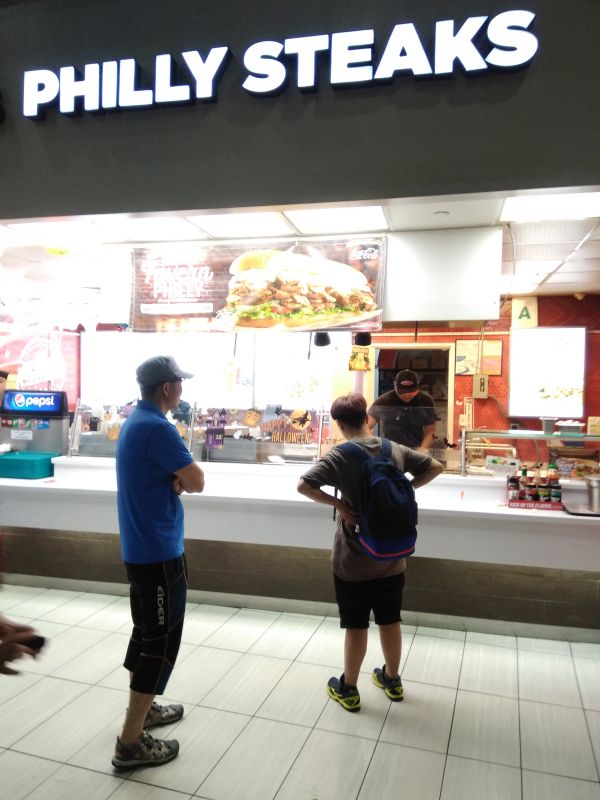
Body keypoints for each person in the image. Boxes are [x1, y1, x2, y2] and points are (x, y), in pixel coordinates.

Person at [297, 393, 442, 712]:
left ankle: (348, 688)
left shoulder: (340, 454)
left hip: (354, 559)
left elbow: (304, 486)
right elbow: (435, 466)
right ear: (366, 418)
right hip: (393, 557)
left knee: (356, 624)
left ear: (338, 424)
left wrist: (339, 505)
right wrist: (405, 489)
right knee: (390, 619)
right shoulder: (392, 448)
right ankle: (392, 679)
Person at [112, 355, 205, 769]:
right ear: (166, 388)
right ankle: (130, 743)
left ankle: (145, 711)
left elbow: (171, 478)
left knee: (146, 633)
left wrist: (173, 479)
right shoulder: (158, 427)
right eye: (179, 383)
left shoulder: (135, 420)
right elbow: (197, 481)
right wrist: (179, 479)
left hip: (140, 547)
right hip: (159, 552)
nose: (182, 389)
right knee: (159, 645)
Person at [367, 369, 438, 450]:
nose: (407, 395)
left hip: (415, 448)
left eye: (411, 392)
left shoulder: (425, 400)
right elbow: (366, 426)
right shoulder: (384, 400)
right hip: (390, 449)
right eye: (402, 392)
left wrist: (422, 450)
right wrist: (376, 446)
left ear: (417, 387)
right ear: (395, 386)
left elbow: (430, 431)